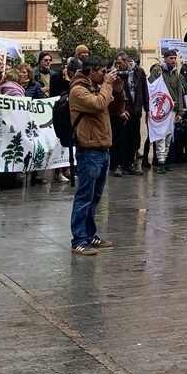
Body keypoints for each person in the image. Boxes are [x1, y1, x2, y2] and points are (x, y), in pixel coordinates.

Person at [66, 59, 115, 257]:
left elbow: (115, 105)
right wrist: (108, 85)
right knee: (84, 197)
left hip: (102, 148)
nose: (106, 75)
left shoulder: (97, 86)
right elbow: (98, 104)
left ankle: (89, 234)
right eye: (103, 72)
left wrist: (116, 88)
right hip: (89, 150)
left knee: (95, 197)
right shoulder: (78, 90)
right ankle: (78, 240)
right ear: (91, 72)